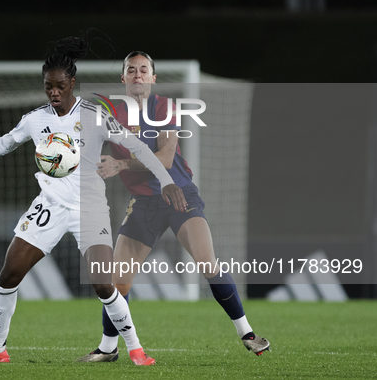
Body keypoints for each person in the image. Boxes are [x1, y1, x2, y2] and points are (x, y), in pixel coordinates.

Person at [0, 35, 186, 365]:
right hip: (50, 206)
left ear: (72, 82)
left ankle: (135, 349)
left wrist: (168, 181)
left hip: (89, 210)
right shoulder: (36, 119)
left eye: (60, 86)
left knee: (103, 283)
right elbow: (4, 143)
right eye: (48, 87)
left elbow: (139, 148)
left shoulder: (95, 115)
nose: (54, 93)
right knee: (9, 275)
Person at [78, 51, 270, 362]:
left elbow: (164, 160)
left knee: (207, 263)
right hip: (143, 204)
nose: (138, 75)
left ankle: (246, 332)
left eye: (144, 70)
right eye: (131, 70)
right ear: (123, 78)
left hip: (179, 196)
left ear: (153, 78)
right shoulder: (108, 112)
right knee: (118, 280)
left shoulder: (164, 107)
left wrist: (120, 163)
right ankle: (108, 348)